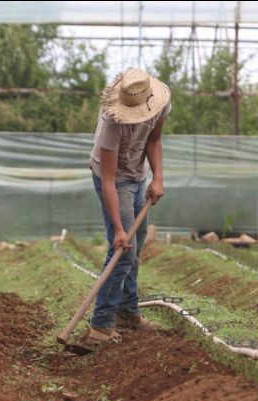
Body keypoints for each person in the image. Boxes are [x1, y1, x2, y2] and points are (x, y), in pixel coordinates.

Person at [83, 68, 170, 345]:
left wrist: (157, 176)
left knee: (137, 244)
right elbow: (108, 179)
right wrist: (119, 229)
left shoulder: (161, 102)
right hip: (115, 179)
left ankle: (127, 313)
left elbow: (154, 139)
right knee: (123, 250)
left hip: (138, 174)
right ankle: (100, 325)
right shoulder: (111, 122)